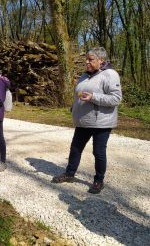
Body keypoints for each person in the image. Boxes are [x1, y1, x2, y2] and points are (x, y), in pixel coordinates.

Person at [52, 47, 122, 194]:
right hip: (83, 121)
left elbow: (116, 99)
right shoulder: (84, 75)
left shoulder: (110, 74)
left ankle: (99, 180)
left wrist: (94, 97)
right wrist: (75, 106)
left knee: (98, 152)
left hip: (101, 123)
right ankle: (69, 174)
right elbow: (78, 94)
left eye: (91, 59)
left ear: (101, 60)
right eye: (87, 59)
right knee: (75, 148)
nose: (87, 62)